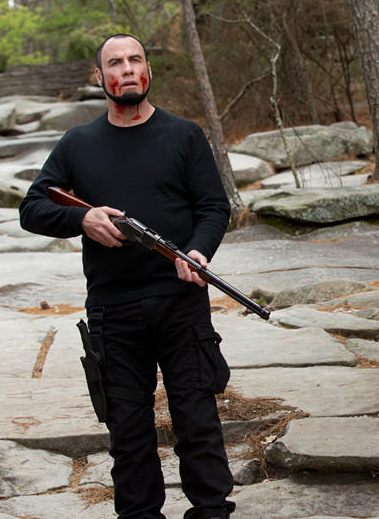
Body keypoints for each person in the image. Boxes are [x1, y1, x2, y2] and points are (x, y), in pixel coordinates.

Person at [19, 34, 235, 519]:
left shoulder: (184, 135)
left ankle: (211, 512)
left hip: (180, 301)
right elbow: (31, 208)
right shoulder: (77, 143)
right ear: (100, 77)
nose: (127, 69)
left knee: (197, 420)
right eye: (115, 63)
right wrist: (82, 218)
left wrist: (198, 251)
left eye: (136, 59)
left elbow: (213, 207)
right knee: (129, 432)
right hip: (112, 311)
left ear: (148, 71)